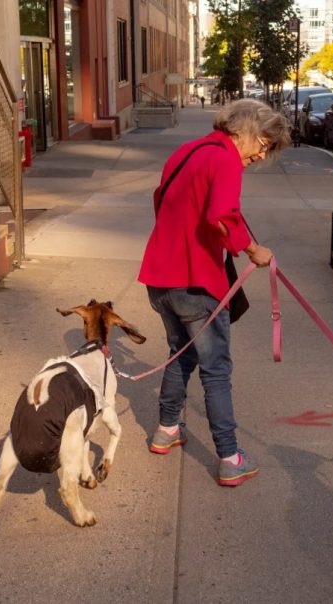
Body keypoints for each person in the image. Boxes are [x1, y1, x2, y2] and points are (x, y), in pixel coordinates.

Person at [138, 99, 290, 487]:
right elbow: (220, 216)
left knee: (180, 353)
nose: (261, 154)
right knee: (216, 370)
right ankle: (229, 456)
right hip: (196, 281)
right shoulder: (224, 160)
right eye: (264, 143)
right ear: (245, 130)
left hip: (161, 277)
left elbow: (162, 201)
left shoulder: (187, 151)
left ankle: (167, 429)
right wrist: (252, 249)